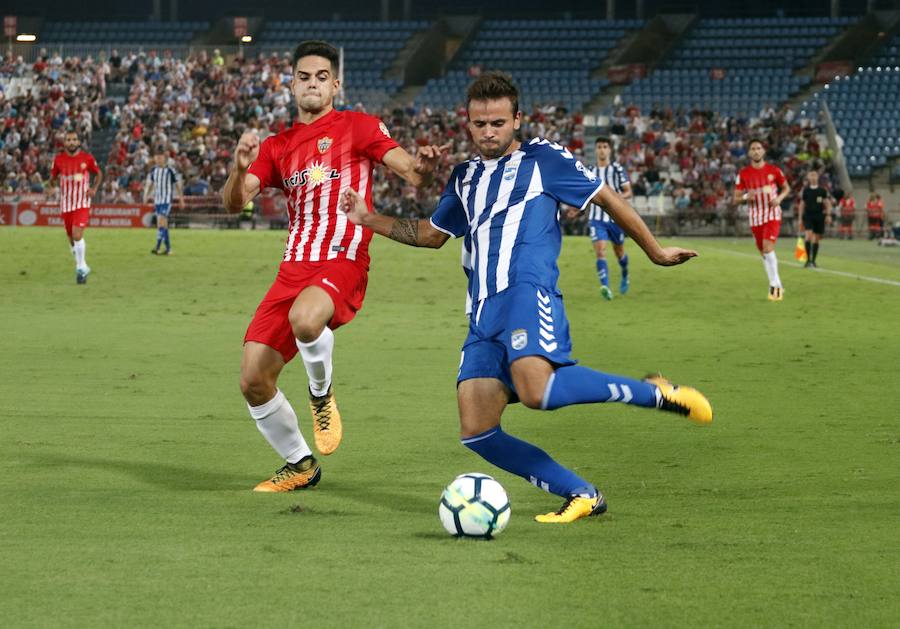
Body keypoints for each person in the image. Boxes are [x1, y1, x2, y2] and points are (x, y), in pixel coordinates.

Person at [339, 71, 712, 524]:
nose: (489, 132)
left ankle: (653, 394)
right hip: (481, 312)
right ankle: (581, 493)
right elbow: (430, 235)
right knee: (476, 429)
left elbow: (606, 197)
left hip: (526, 292)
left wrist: (654, 251)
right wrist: (366, 216)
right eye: (480, 124)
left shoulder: (544, 159)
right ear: (468, 124)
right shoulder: (464, 178)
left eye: (498, 122)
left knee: (538, 391)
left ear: (518, 119)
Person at [222, 40, 445, 492]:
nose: (312, 84)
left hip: (343, 258)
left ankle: (321, 395)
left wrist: (423, 167)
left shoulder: (358, 127)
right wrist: (237, 166)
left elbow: (413, 173)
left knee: (306, 319)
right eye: (304, 76)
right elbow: (235, 203)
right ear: (291, 85)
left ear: (335, 84)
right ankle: (300, 464)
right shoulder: (276, 146)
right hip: (293, 269)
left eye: (321, 76)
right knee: (252, 379)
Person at [732, 139, 790, 301]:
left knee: (767, 247)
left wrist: (779, 198)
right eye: (753, 149)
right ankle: (777, 283)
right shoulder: (743, 173)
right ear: (749, 153)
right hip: (755, 217)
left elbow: (786, 188)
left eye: (759, 148)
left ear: (763, 151)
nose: (756, 151)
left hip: (772, 213)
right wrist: (745, 196)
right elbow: (735, 198)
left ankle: (775, 287)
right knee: (763, 253)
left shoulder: (774, 170)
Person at [50, 130, 103, 284]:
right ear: (64, 142)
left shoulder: (87, 158)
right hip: (66, 204)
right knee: (71, 239)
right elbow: (52, 179)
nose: (71, 142)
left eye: (74, 139)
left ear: (79, 142)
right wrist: (52, 183)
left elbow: (99, 173)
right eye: (68, 140)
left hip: (82, 203)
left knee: (77, 235)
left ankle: (80, 267)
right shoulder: (59, 159)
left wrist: (94, 189)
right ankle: (83, 265)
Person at [587, 136, 633, 300]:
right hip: (596, 219)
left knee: (619, 252)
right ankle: (605, 286)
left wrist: (615, 199)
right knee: (601, 251)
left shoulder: (617, 169)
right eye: (599, 146)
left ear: (610, 150)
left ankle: (625, 272)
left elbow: (628, 191)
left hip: (616, 219)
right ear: (595, 150)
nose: (602, 149)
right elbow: (585, 193)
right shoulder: (589, 171)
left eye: (605, 146)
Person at [143, 150, 183, 255]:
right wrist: (147, 195)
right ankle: (168, 249)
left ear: (164, 158)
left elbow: (177, 185)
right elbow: (151, 184)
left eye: (160, 158)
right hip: (157, 200)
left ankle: (157, 247)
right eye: (157, 158)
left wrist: (181, 199)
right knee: (162, 225)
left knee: (161, 222)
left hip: (166, 200)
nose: (158, 160)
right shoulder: (153, 171)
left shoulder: (170, 170)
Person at [797, 170, 831, 268]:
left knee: (816, 238)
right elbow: (802, 205)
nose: (813, 177)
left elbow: (827, 203)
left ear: (818, 177)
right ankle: (808, 260)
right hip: (808, 216)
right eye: (811, 175)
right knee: (808, 235)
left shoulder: (822, 190)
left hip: (819, 216)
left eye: (815, 175)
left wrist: (828, 215)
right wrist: (800, 218)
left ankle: (813, 261)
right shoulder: (806, 190)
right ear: (808, 177)